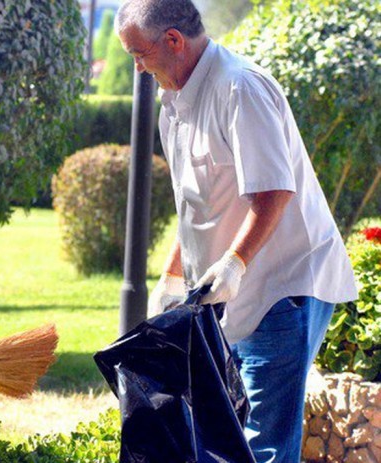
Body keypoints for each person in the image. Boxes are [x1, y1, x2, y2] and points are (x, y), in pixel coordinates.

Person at [114, 1, 358, 462]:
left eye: (139, 54)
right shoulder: (175, 105)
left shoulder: (239, 88)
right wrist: (171, 276)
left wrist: (233, 264)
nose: (138, 68)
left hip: (281, 289)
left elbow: (275, 192)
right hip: (225, 295)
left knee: (260, 443)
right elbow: (195, 204)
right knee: (221, 434)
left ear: (173, 41)